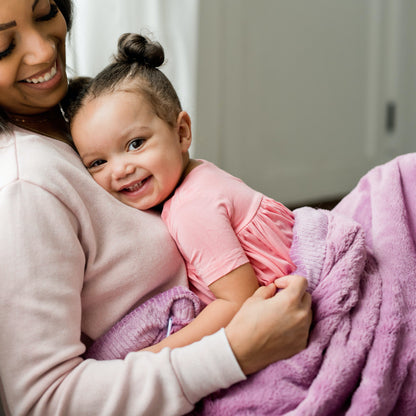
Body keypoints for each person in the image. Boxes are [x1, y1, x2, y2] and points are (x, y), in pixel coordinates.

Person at [0, 1, 312, 415]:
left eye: (44, 13)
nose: (42, 51)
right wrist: (236, 351)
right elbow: (44, 402)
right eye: (3, 45)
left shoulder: (73, 116)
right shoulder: (28, 185)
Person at [69, 32, 301, 353]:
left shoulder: (191, 208)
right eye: (98, 162)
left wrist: (151, 358)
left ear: (181, 132)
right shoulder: (196, 177)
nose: (120, 169)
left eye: (135, 144)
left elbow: (238, 301)